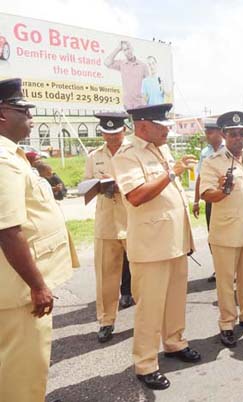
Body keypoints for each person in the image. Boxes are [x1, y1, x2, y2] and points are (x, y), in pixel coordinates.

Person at [112, 103, 201, 390]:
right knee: (150, 308)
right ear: (143, 125)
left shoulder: (160, 147)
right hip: (150, 248)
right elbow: (136, 196)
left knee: (175, 300)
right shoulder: (127, 154)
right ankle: (146, 363)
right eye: (162, 125)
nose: (167, 131)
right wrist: (172, 172)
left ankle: (175, 343)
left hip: (174, 241)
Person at [0, 78, 73, 401]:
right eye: (23, 110)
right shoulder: (3, 162)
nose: (31, 116)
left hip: (16, 284)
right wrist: (38, 286)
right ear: (2, 114)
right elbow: (7, 230)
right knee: (22, 371)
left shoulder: (14, 156)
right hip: (19, 290)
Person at [199, 111, 243, 348]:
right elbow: (206, 194)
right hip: (225, 233)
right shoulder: (213, 162)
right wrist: (223, 191)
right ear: (223, 135)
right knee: (225, 282)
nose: (238, 138)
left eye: (242, 134)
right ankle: (227, 324)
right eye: (233, 134)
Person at [84, 112, 134, 344]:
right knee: (106, 276)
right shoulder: (94, 156)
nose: (111, 138)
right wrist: (99, 186)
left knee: (142, 275)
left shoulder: (135, 152)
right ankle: (106, 321)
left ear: (124, 130)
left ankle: (146, 318)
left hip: (133, 220)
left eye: (115, 133)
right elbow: (86, 185)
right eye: (106, 133)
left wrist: (120, 185)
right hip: (106, 222)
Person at [193, 118, 224, 283]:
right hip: (210, 198)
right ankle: (218, 268)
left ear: (220, 132)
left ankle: (230, 269)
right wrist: (196, 201)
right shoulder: (205, 152)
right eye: (206, 132)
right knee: (213, 235)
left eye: (210, 132)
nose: (207, 135)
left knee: (227, 234)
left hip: (226, 199)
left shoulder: (229, 149)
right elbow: (200, 177)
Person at [105, 41, 149, 109]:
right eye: (125, 50)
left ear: (132, 48)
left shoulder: (143, 66)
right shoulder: (122, 64)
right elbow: (107, 63)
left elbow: (148, 86)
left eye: (128, 48)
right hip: (127, 106)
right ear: (123, 52)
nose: (128, 51)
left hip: (141, 105)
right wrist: (117, 49)